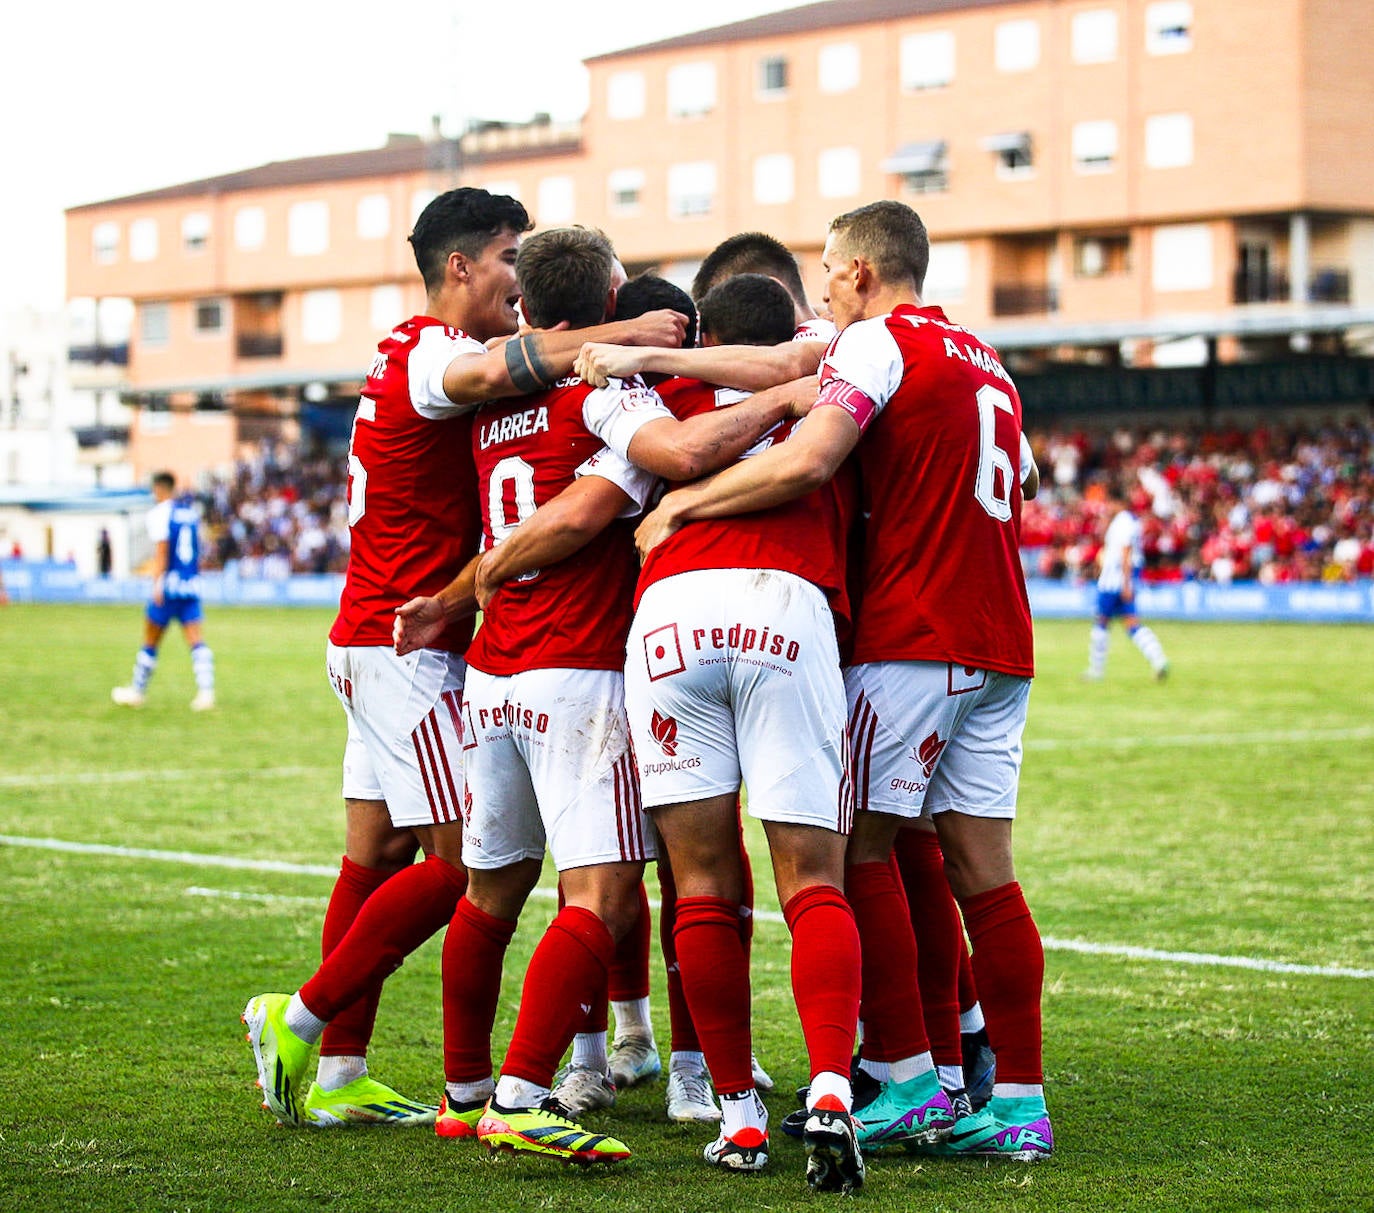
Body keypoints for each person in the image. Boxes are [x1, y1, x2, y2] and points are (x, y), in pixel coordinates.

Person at [241, 189, 688, 1131]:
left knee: (373, 859)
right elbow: (511, 373)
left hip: (378, 632)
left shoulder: (420, 355)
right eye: (504, 260)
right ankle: (307, 1014)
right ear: (462, 266)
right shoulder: (441, 354)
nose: (514, 282)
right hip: (417, 644)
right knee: (459, 867)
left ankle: (343, 1072)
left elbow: (515, 375)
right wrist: (630, 334)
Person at [636, 199, 1054, 1162]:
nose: (822, 287)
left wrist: (688, 503)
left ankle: (906, 1077)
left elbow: (816, 455)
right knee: (984, 877)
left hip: (912, 633)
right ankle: (1019, 1103)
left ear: (864, 271)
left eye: (829, 270)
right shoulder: (981, 356)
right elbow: (1023, 476)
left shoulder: (876, 341)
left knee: (856, 849)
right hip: (1000, 637)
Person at [388, 226, 800, 1162]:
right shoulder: (605, 390)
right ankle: (524, 1091)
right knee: (610, 892)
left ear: (528, 305)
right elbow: (605, 497)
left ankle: (463, 1089)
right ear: (613, 295)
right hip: (577, 668)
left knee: (489, 893)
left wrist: (462, 593)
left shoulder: (501, 396)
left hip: (493, 673)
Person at [614, 270, 866, 1193]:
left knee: (704, 884)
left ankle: (739, 1114)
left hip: (671, 611)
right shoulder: (835, 385)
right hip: (787, 608)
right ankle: (833, 1089)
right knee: (813, 878)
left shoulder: (662, 394)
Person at [112, 471, 215, 711]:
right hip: (189, 584)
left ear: (159, 489)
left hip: (169, 586)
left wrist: (156, 585)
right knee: (196, 639)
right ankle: (206, 692)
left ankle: (137, 690)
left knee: (151, 639)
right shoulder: (190, 513)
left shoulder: (160, 513)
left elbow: (161, 552)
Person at [1085, 485, 1170, 681]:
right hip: (1123, 577)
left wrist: (1126, 583)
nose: (1107, 506)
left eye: (1109, 502)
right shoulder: (1129, 521)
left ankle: (1096, 671)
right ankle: (1158, 659)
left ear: (1118, 503)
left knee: (1101, 621)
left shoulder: (1122, 523)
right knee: (1132, 622)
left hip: (1114, 580)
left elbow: (1125, 552)